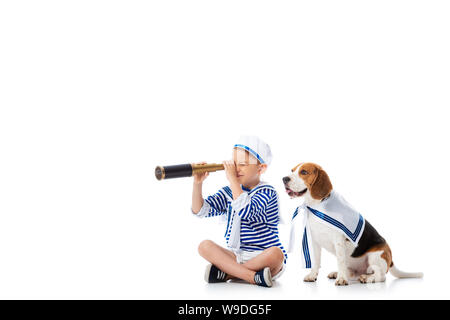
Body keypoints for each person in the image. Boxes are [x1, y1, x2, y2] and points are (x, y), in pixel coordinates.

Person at [191, 136, 286, 287]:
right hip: (237, 256)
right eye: (234, 164)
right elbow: (200, 211)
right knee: (204, 246)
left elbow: (246, 211)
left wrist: (233, 181)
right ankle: (252, 277)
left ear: (261, 168)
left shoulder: (268, 192)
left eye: (242, 164)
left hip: (263, 257)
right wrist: (198, 184)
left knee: (277, 254)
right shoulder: (230, 191)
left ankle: (229, 273)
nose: (236, 169)